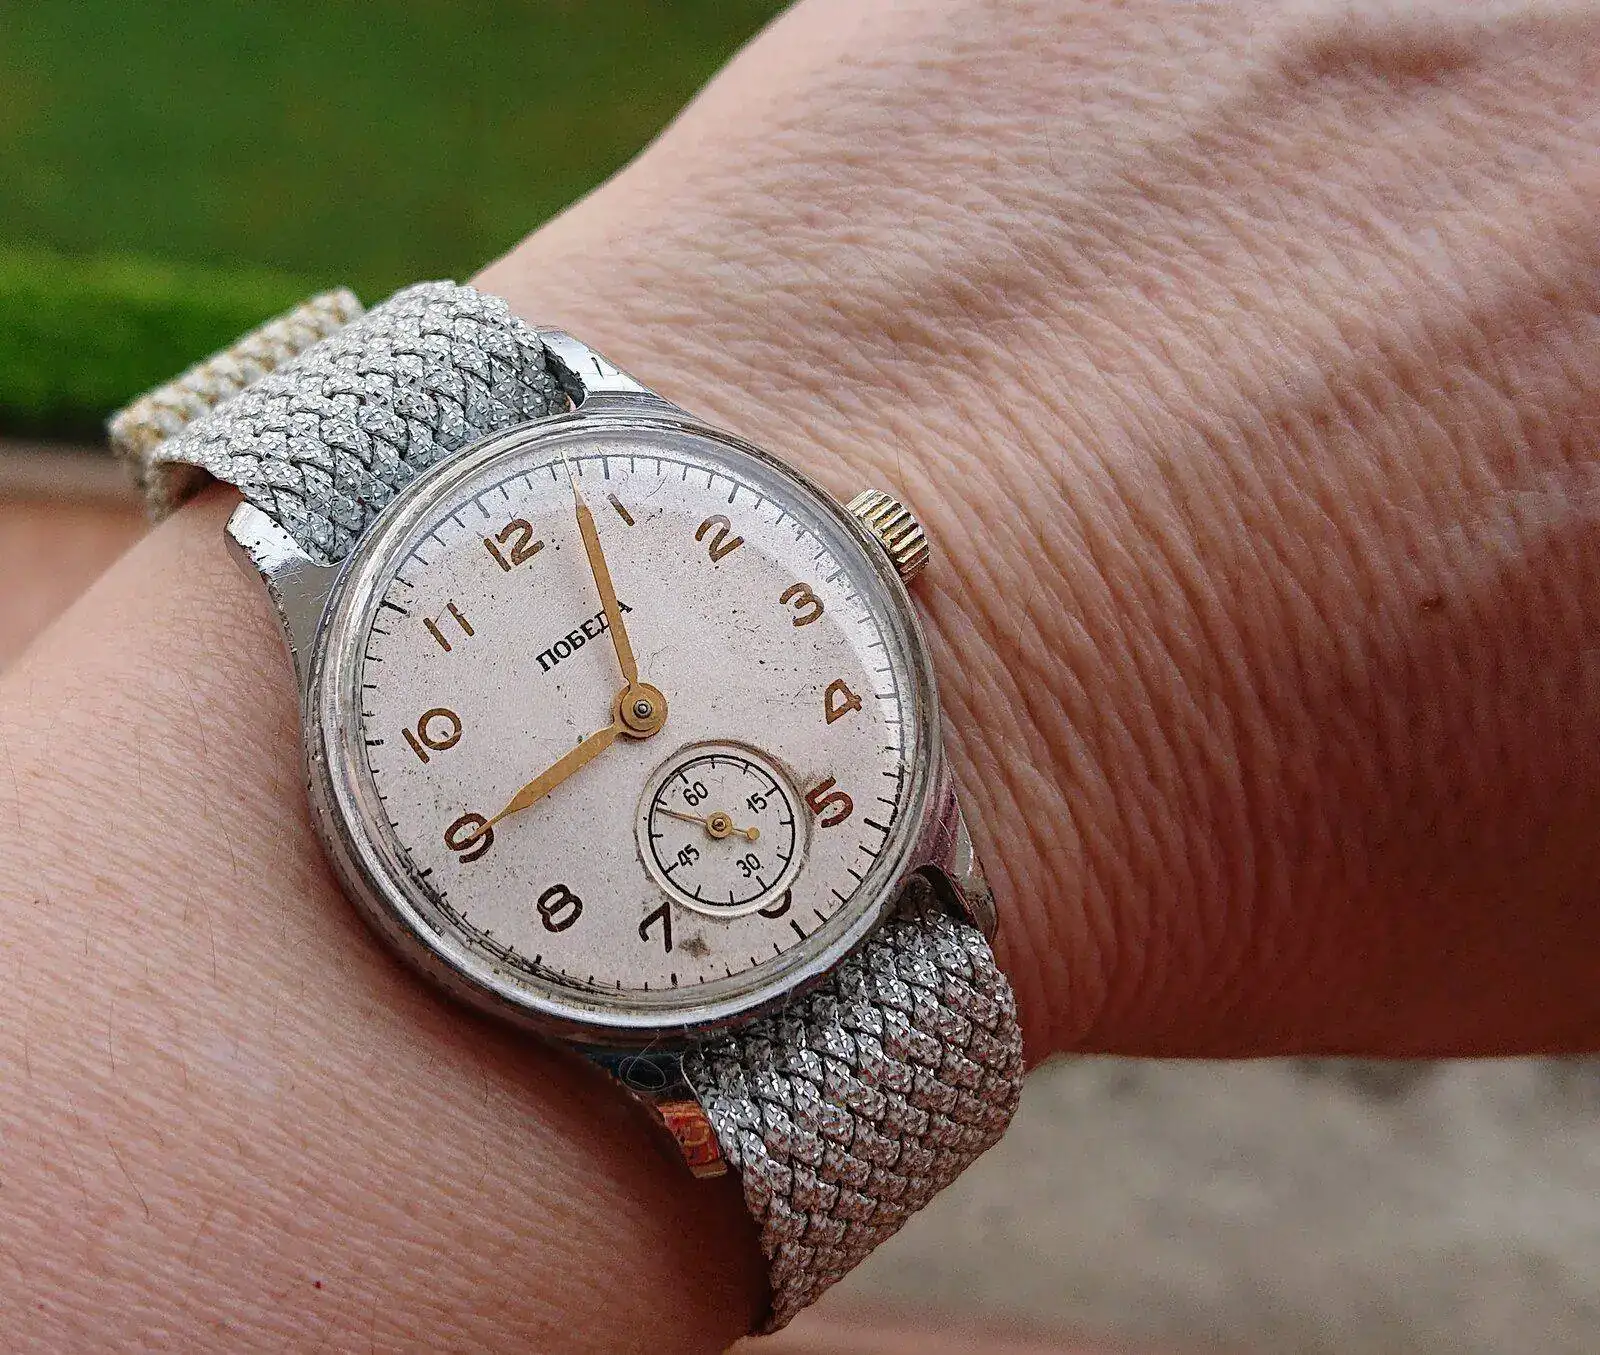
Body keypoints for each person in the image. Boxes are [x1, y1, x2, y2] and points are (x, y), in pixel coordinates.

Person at [3, 0, 1596, 1350]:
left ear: (874, 546)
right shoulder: (356, 578)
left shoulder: (654, 489)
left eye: (639, 702)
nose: (640, 713)